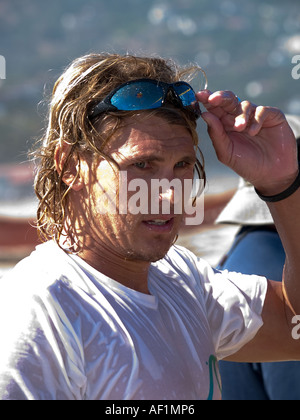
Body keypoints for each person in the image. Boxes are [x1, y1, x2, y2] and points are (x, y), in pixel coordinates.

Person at [0, 53, 299, 400]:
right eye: (142, 164)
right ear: (70, 166)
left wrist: (282, 183)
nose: (171, 195)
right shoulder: (42, 311)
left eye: (183, 164)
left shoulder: (182, 280)